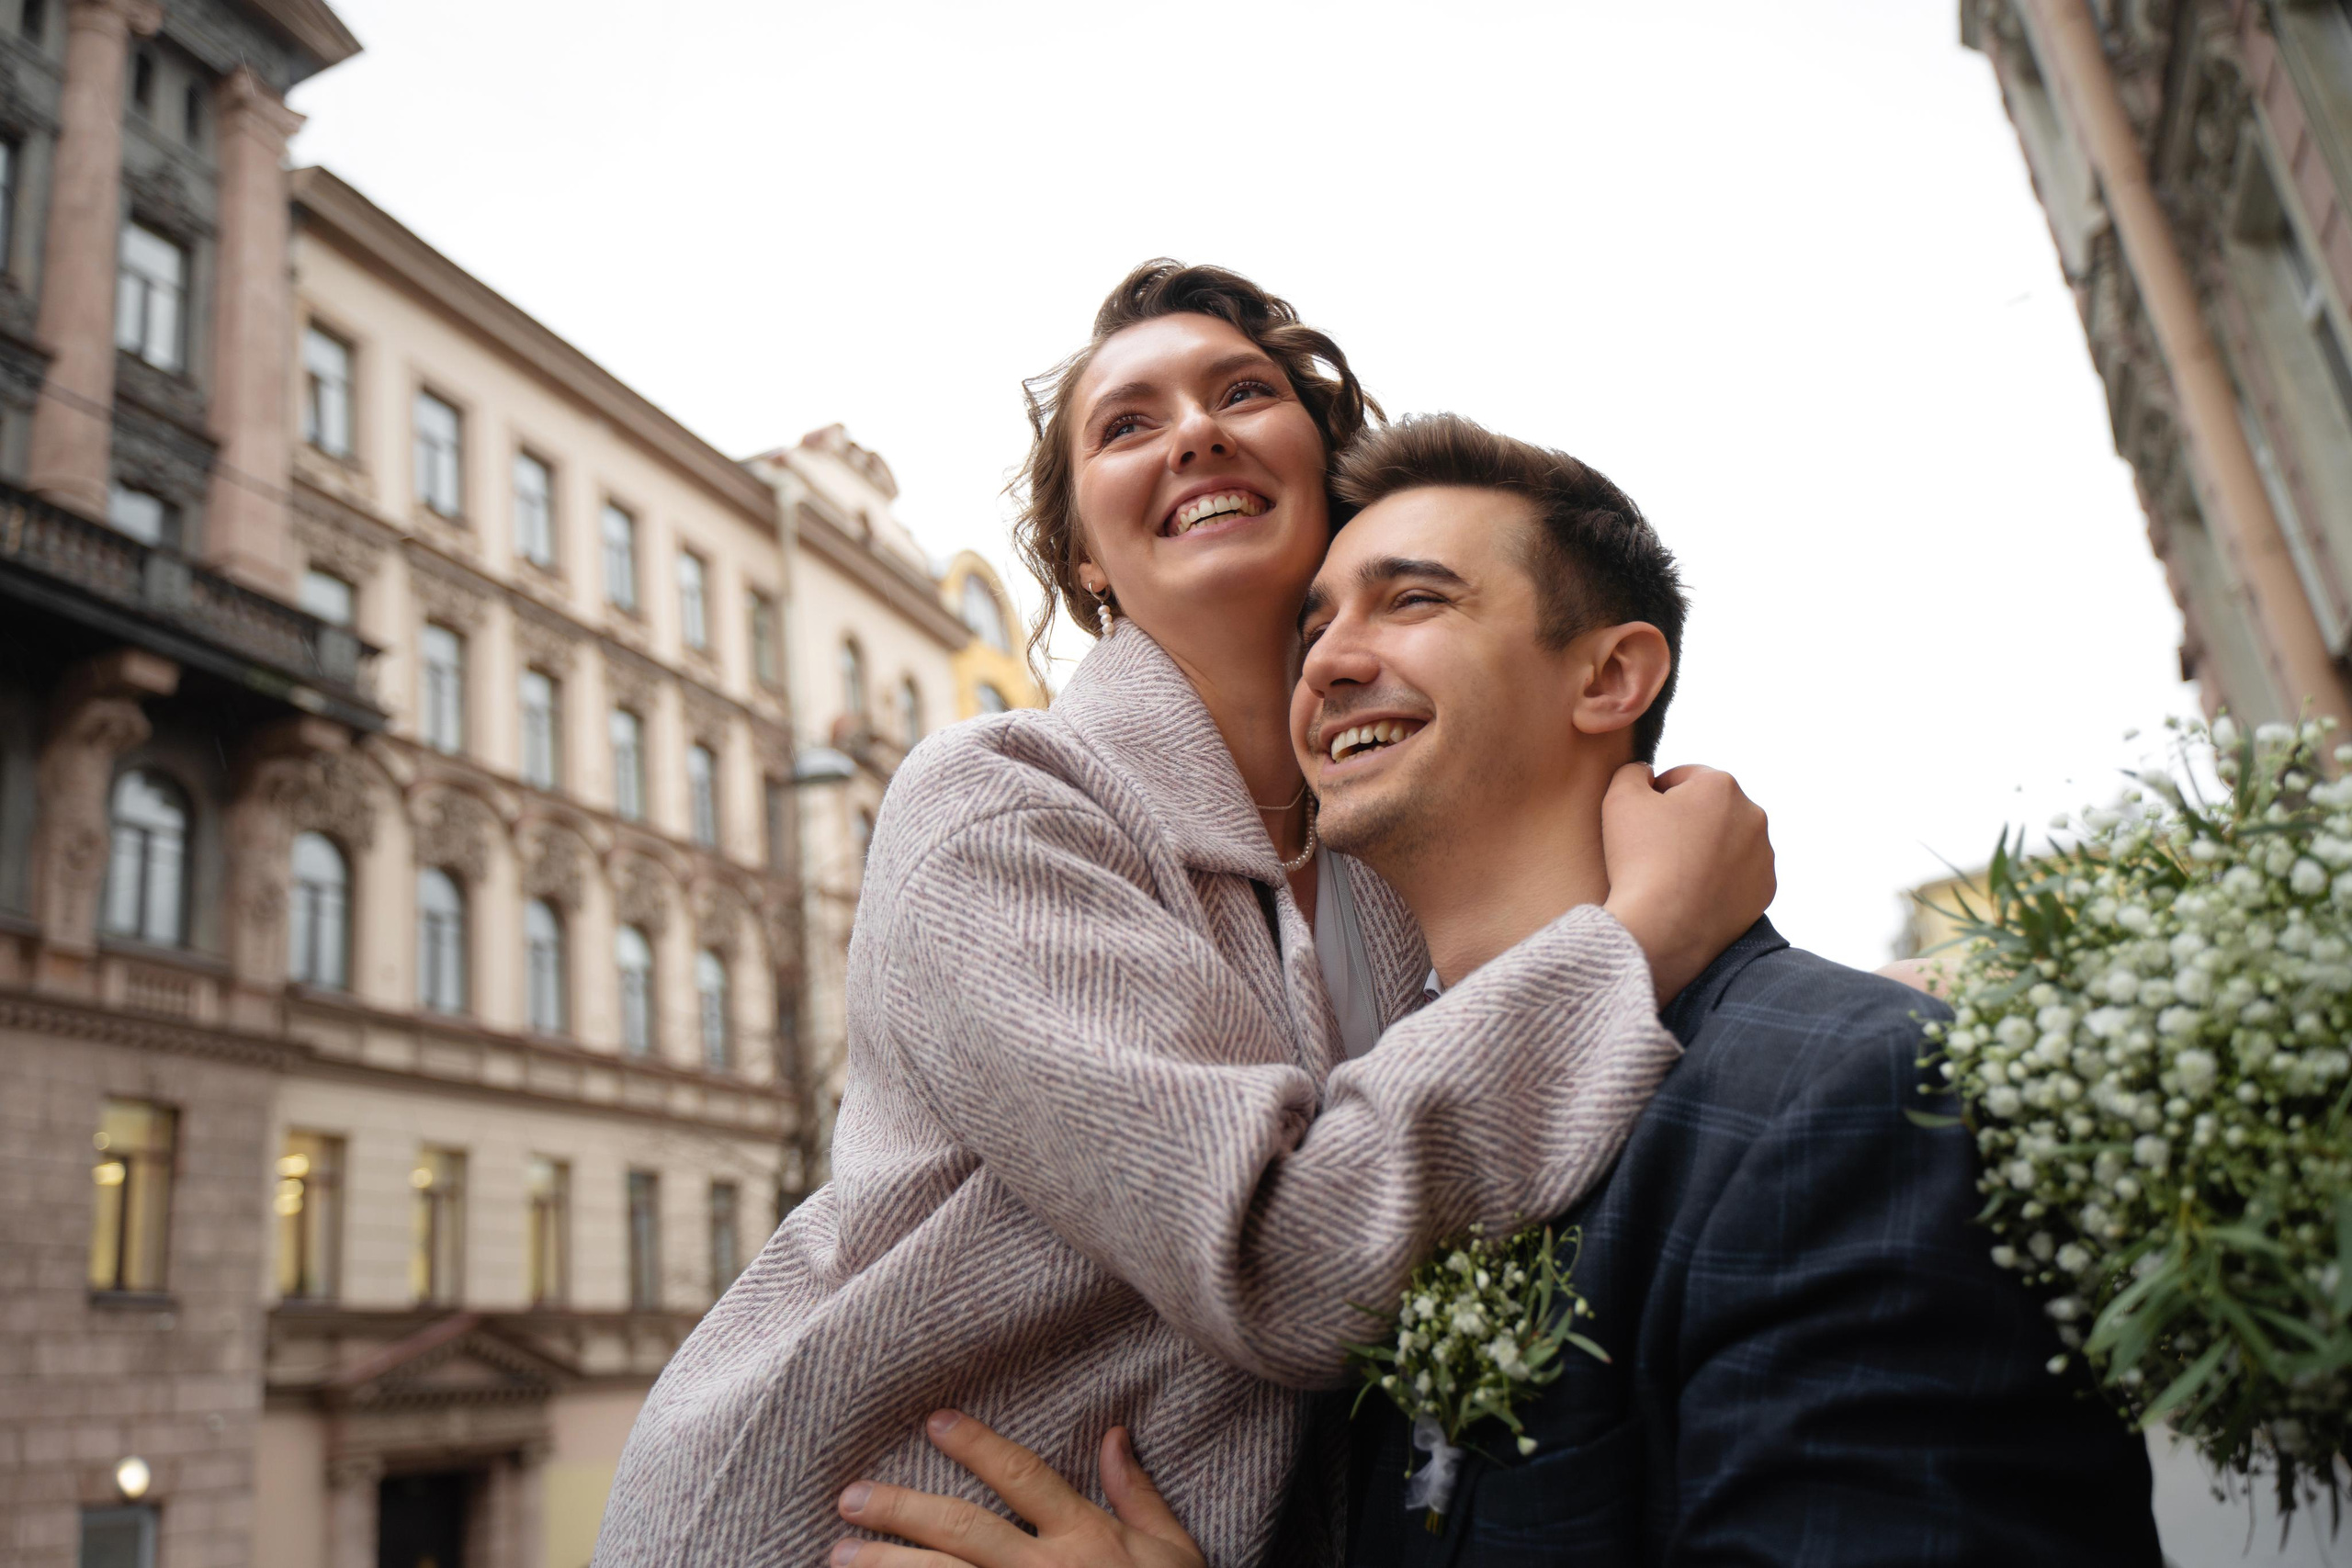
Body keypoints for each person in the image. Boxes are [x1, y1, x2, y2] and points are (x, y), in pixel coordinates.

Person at [590, 267, 1776, 1568]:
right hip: (841, 1526)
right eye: (1127, 423)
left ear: (1329, 491)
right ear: (1086, 559)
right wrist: (1642, 935)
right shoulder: (998, 802)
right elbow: (1284, 1254)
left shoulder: (1388, 860)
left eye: (1243, 394)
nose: (1195, 433)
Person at [835, 416, 2161, 1567]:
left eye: (1411, 602)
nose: (1330, 663)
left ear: (1611, 677)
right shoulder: (1358, 1126)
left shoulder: (1851, 1094)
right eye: (1316, 623)